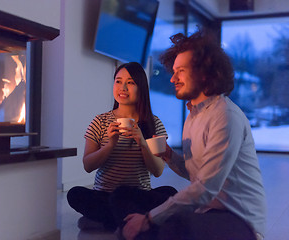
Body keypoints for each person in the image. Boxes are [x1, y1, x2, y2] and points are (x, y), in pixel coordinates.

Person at [114, 29, 266, 240]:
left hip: (238, 219)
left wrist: (149, 218)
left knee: (170, 227)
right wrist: (168, 156)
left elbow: (205, 187)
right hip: (205, 209)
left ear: (205, 73)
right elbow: (197, 174)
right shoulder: (194, 114)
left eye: (181, 71)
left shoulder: (225, 115)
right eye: (173, 71)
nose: (172, 78)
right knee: (125, 195)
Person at [67, 62, 177, 231]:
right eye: (118, 81)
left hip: (137, 195)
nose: (123, 87)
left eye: (130, 82)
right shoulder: (100, 121)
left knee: (171, 192)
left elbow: (158, 171)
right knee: (74, 194)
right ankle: (135, 220)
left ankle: (106, 222)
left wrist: (142, 141)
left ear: (141, 88)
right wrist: (110, 145)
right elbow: (88, 166)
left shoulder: (154, 124)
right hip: (104, 195)